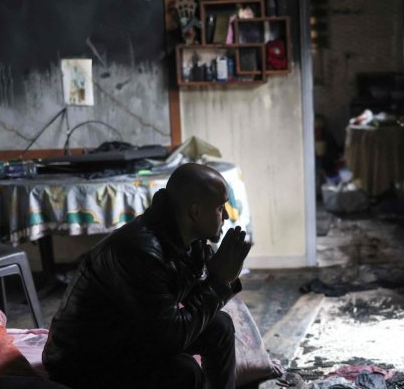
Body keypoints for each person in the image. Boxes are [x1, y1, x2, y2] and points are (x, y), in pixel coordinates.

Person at [42, 163, 252, 389]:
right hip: (81, 358)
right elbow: (171, 338)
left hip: (129, 335)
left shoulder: (189, 239)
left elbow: (185, 312)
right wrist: (218, 283)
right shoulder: (141, 251)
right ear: (195, 212)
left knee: (219, 326)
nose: (227, 216)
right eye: (220, 208)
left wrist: (217, 276)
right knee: (183, 371)